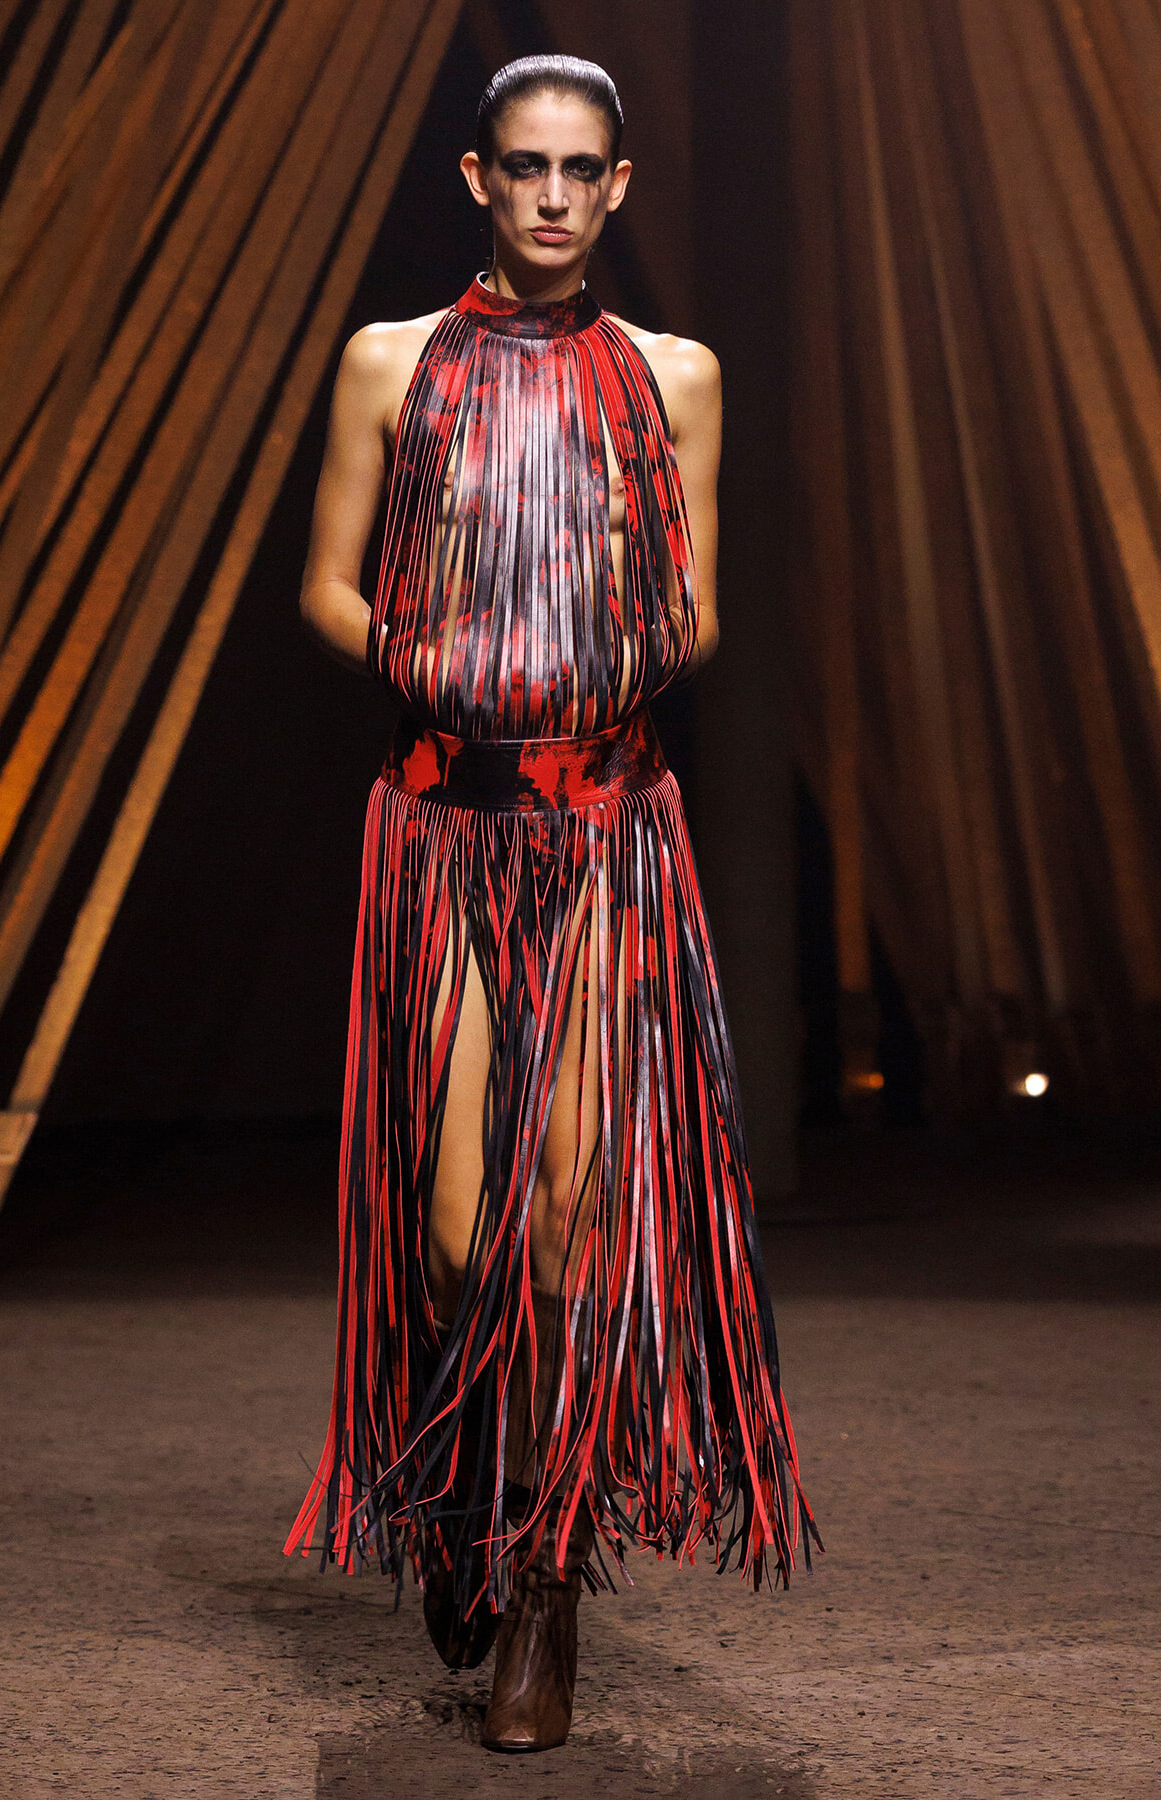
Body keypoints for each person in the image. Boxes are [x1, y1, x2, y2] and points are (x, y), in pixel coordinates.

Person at [287, 54, 818, 1753]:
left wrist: (628, 618)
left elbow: (702, 614)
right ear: (478, 178)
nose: (553, 197)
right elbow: (323, 585)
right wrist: (420, 648)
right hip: (443, 823)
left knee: (572, 1221)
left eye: (583, 170)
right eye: (525, 167)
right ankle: (462, 1483)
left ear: (619, 186)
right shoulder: (391, 362)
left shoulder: (675, 377)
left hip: (603, 829)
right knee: (459, 1236)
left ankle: (545, 1584)